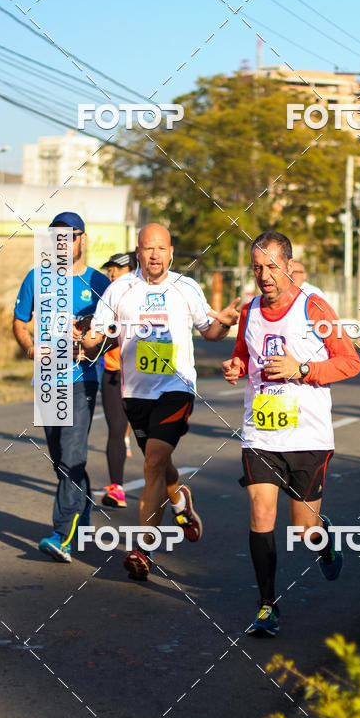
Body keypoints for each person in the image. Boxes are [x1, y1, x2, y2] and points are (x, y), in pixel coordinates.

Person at [222, 231, 360, 637]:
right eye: (257, 268)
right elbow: (243, 356)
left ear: (288, 266)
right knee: (261, 512)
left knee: (304, 528)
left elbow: (349, 362)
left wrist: (303, 369)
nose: (264, 276)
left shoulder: (314, 307)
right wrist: (234, 367)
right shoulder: (249, 311)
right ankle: (267, 605)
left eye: (271, 267)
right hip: (261, 434)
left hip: (307, 437)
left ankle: (325, 539)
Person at [84, 223, 240, 581]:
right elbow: (98, 334)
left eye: (160, 248)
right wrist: (86, 338)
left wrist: (226, 323)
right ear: (138, 252)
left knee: (153, 462)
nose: (154, 254)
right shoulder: (119, 288)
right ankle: (180, 499)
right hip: (135, 392)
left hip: (176, 387)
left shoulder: (187, 288)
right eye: (147, 248)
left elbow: (210, 332)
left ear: (171, 252)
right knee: (158, 461)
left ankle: (143, 548)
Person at [13, 212, 110, 562]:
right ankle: (80, 515)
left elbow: (112, 335)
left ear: (82, 239)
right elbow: (20, 322)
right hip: (48, 379)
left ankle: (62, 535)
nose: (62, 244)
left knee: (72, 456)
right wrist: (29, 346)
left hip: (82, 378)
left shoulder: (99, 283)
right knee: (60, 461)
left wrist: (88, 340)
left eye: (69, 237)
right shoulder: (36, 278)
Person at [99, 253, 133, 508]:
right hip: (113, 372)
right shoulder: (106, 298)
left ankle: (170, 488)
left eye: (117, 269)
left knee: (153, 440)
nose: (112, 273)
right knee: (116, 430)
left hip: (143, 376)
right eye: (110, 269)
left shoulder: (141, 297)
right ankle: (117, 487)